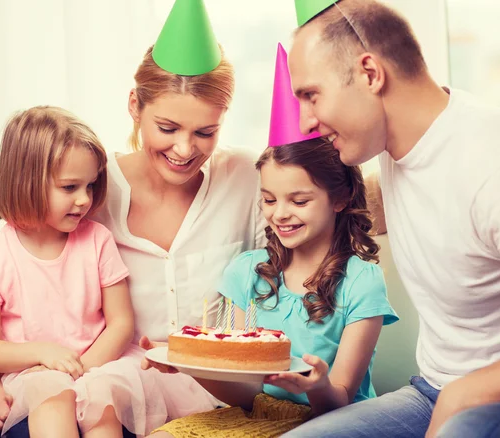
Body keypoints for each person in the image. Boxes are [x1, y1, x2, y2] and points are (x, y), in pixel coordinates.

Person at [0, 1, 265, 437]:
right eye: (168, 127)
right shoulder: (90, 187)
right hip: (88, 386)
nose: (185, 149)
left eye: (205, 132)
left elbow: (304, 246)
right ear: (135, 106)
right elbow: (10, 312)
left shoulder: (247, 178)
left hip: (188, 394)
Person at [285, 1, 500, 437]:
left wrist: (468, 393)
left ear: (370, 74)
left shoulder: (497, 169)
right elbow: (352, 211)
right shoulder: (395, 146)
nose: (305, 121)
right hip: (433, 392)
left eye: (311, 95)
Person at [146, 43, 398, 438]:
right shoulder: (247, 271)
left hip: (332, 422)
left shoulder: (362, 281)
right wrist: (187, 364)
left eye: (298, 200)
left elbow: (343, 399)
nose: (279, 213)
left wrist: (316, 385)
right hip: (257, 416)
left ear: (340, 198)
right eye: (268, 199)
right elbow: (242, 396)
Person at [0, 106, 165, 437]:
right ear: (25, 182)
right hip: (34, 375)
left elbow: (121, 323)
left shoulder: (97, 240)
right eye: (70, 187)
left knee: (103, 406)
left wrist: (84, 372)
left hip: (98, 367)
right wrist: (44, 353)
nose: (85, 199)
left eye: (90, 185)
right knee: (53, 399)